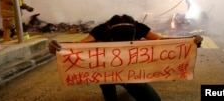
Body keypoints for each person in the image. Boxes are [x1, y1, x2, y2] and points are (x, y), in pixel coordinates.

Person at [48, 14, 203, 101]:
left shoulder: (139, 27)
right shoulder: (101, 29)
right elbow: (77, 48)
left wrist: (190, 41)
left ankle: (127, 87)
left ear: (134, 31)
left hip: (132, 72)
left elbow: (160, 40)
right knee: (110, 97)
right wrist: (56, 48)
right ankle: (110, 93)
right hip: (107, 72)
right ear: (109, 31)